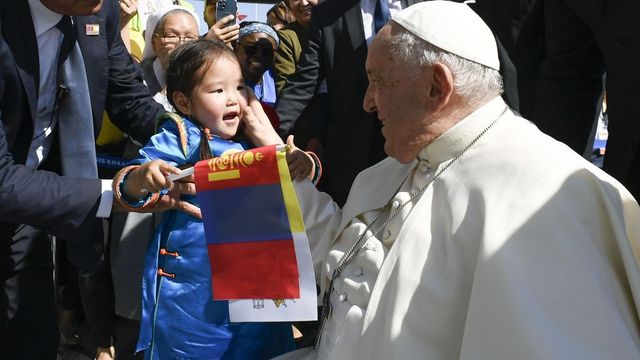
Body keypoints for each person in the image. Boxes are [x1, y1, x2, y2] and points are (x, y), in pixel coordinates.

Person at [275, 2, 640, 359]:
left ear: (437, 86)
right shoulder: (381, 175)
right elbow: (346, 278)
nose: (368, 102)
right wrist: (284, 175)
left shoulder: (548, 197)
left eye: (378, 82)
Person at [0, 1, 198, 359]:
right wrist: (118, 193)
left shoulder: (97, 11)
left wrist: (183, 134)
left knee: (30, 335)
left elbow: (126, 95)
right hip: (11, 185)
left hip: (35, 202)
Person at [114, 39, 319, 359]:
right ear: (184, 102)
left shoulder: (256, 137)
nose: (233, 100)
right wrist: (146, 176)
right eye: (217, 90)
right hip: (193, 293)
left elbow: (305, 185)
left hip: (254, 287)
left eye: (238, 88)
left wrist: (304, 163)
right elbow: (129, 187)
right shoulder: (179, 138)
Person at [275, 0, 520, 206]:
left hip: (426, 151)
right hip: (354, 158)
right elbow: (303, 85)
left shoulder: (437, 6)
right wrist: (267, 140)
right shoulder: (329, 13)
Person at [140, 5, 200, 109]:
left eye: (190, 37)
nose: (181, 44)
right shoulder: (139, 77)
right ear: (154, 43)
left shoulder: (205, 75)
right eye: (171, 36)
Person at [235, 21, 280, 108]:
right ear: (237, 47)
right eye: (251, 49)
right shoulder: (225, 80)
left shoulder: (279, 80)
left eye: (266, 51)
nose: (258, 55)